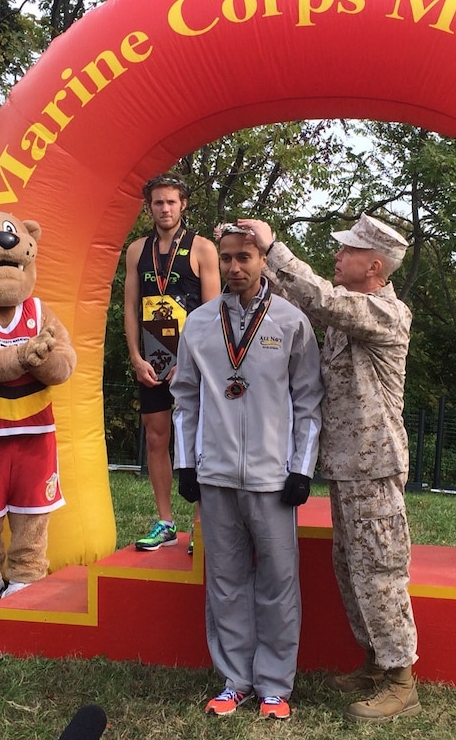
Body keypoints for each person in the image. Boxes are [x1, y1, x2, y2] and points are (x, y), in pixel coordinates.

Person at [239, 214, 420, 724]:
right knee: (352, 570)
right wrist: (251, 258)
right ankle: (376, 664)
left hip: (374, 468)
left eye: (347, 252)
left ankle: (402, 680)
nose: (337, 257)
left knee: (380, 571)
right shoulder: (352, 314)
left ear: (375, 266)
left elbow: (321, 299)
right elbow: (302, 300)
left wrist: (274, 247)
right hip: (347, 467)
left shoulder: (385, 312)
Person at [170, 224, 323, 720]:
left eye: (245, 258)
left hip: (272, 479)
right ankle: (235, 679)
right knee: (226, 581)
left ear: (263, 261)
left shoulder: (292, 322)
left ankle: (275, 684)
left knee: (278, 583)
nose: (235, 268)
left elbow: (308, 402)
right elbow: (185, 400)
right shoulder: (197, 323)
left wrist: (300, 469)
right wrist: (186, 463)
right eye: (229, 259)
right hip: (215, 477)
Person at [122, 174, 220, 552]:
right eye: (158, 203)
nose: (164, 208)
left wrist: (191, 360)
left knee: (197, 441)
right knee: (156, 438)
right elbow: (130, 307)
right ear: (149, 207)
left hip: (191, 362)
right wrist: (134, 357)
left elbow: (213, 314)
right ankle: (165, 522)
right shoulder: (136, 250)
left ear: (183, 206)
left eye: (171, 202)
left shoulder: (203, 248)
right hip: (152, 360)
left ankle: (200, 524)